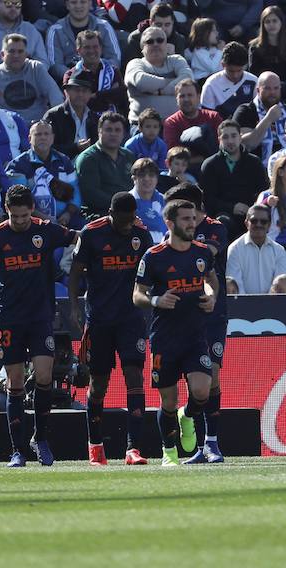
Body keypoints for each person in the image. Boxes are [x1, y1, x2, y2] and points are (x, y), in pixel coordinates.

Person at [0, 185, 79, 467]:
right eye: (14, 215)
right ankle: (17, 449)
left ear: (31, 209)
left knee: (45, 376)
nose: (19, 220)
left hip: (40, 316)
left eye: (24, 215)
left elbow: (79, 239)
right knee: (15, 381)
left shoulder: (46, 230)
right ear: (6, 211)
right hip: (9, 317)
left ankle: (40, 438)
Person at [133, 198, 219, 466]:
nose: (192, 224)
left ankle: (188, 416)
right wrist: (157, 301)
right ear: (170, 223)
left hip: (195, 335)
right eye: (185, 219)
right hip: (164, 338)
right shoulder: (154, 256)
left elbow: (211, 281)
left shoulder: (203, 252)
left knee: (202, 391)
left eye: (193, 218)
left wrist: (211, 295)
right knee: (168, 401)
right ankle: (168, 452)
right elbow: (137, 294)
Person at [69, 191, 153, 466]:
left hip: (131, 319)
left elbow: (152, 273)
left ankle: (134, 449)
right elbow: (75, 272)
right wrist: (73, 306)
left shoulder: (142, 235)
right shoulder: (91, 234)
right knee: (99, 384)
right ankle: (95, 446)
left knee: (135, 376)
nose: (128, 225)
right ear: (111, 214)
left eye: (132, 220)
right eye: (124, 220)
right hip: (100, 320)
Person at [165, 182, 230, 462]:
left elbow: (205, 256)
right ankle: (189, 421)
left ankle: (210, 443)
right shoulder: (171, 236)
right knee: (193, 384)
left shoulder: (216, 228)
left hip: (212, 315)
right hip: (180, 317)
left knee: (213, 376)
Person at [0, 33, 64, 124]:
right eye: (11, 51)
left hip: (37, 127)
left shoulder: (36, 68)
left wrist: (52, 119)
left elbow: (57, 98)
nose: (16, 55)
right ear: (2, 54)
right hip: (7, 127)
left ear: (26, 54)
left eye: (20, 51)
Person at [199, 119, 270, 238]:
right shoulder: (210, 165)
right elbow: (208, 199)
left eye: (233, 136)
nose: (230, 141)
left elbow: (264, 192)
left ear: (240, 137)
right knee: (221, 223)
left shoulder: (254, 162)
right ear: (219, 140)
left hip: (252, 215)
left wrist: (252, 208)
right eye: (225, 137)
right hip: (224, 216)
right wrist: (232, 208)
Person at [6, 120, 82, 225]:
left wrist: (67, 214)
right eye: (38, 134)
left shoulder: (65, 162)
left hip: (66, 219)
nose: (43, 137)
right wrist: (46, 220)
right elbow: (20, 202)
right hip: (31, 222)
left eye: (46, 134)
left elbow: (76, 193)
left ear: (52, 138)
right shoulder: (17, 165)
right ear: (29, 139)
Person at [125, 26, 193, 127]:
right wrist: (172, 82)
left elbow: (188, 80)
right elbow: (141, 81)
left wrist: (160, 91)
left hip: (176, 125)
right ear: (142, 48)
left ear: (166, 45)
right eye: (150, 41)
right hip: (143, 127)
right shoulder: (135, 63)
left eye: (160, 40)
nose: (155, 44)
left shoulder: (176, 60)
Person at [75, 111, 135, 221]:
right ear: (99, 131)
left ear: (123, 134)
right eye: (108, 130)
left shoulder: (129, 156)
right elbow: (92, 196)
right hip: (99, 214)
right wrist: (123, 205)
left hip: (129, 211)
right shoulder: (88, 158)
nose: (113, 134)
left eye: (117, 130)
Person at [247, 6, 286, 103]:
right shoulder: (255, 47)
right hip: (267, 86)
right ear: (263, 24)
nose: (271, 25)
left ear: (281, 22)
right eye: (267, 22)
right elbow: (254, 72)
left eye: (274, 21)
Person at [45, 0, 120, 81]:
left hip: (101, 80)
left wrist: (98, 76)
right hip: (71, 83)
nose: (78, 6)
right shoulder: (55, 31)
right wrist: (76, 76)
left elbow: (115, 59)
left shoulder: (104, 26)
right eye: (73, 2)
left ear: (90, 4)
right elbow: (54, 65)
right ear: (67, 5)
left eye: (83, 2)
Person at [233, 71, 286, 168]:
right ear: (258, 90)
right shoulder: (245, 111)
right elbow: (246, 145)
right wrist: (268, 119)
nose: (272, 92)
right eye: (267, 88)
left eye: (276, 88)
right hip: (256, 168)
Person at [0, 0, 49, 75]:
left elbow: (43, 62)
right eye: (8, 3)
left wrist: (28, 75)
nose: (13, 8)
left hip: (29, 81)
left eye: (17, 4)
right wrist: (11, 76)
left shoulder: (30, 29)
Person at [62, 30, 129, 116]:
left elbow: (121, 96)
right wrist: (108, 95)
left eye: (95, 47)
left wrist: (95, 95)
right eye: (87, 47)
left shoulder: (113, 71)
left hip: (110, 124)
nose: (91, 51)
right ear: (78, 51)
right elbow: (74, 102)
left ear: (101, 48)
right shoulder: (70, 75)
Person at [225, 204, 286, 294]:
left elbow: (280, 286)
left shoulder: (280, 251)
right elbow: (235, 286)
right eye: (254, 221)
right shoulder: (235, 249)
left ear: (269, 225)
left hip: (273, 306)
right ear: (246, 223)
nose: (258, 224)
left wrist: (266, 306)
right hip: (243, 306)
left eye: (263, 221)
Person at [163, 79, 222, 173]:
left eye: (190, 95)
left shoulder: (213, 117)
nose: (186, 99)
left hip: (216, 167)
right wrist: (203, 158)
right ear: (176, 99)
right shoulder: (171, 122)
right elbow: (174, 156)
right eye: (182, 96)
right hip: (185, 171)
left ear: (198, 97)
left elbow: (222, 146)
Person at [43, 73, 100, 161]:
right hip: (60, 167)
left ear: (90, 94)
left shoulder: (95, 118)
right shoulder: (53, 116)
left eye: (84, 91)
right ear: (67, 91)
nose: (80, 94)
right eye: (76, 90)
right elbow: (45, 147)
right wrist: (75, 148)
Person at [200, 41, 258, 118]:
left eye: (239, 70)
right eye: (231, 71)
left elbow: (259, 112)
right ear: (223, 65)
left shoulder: (253, 81)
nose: (235, 75)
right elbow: (206, 116)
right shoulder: (211, 84)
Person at [123, 3, 187, 68]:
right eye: (159, 25)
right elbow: (131, 69)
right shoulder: (136, 38)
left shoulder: (179, 40)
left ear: (173, 23)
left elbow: (182, 71)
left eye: (167, 25)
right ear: (150, 23)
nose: (163, 29)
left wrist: (174, 58)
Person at [128, 157, 168, 242]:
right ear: (134, 178)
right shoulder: (127, 201)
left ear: (157, 178)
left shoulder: (165, 201)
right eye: (142, 175)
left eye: (151, 175)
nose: (146, 179)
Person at [197, 0, 262, 43]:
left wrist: (243, 25)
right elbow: (203, 5)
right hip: (217, 26)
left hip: (246, 26)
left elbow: (256, 5)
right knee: (210, 37)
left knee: (259, 36)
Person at [185, 17, 223, 84]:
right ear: (205, 33)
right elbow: (213, 68)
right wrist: (220, 51)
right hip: (202, 81)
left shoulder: (215, 50)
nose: (217, 33)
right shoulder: (198, 51)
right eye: (213, 31)